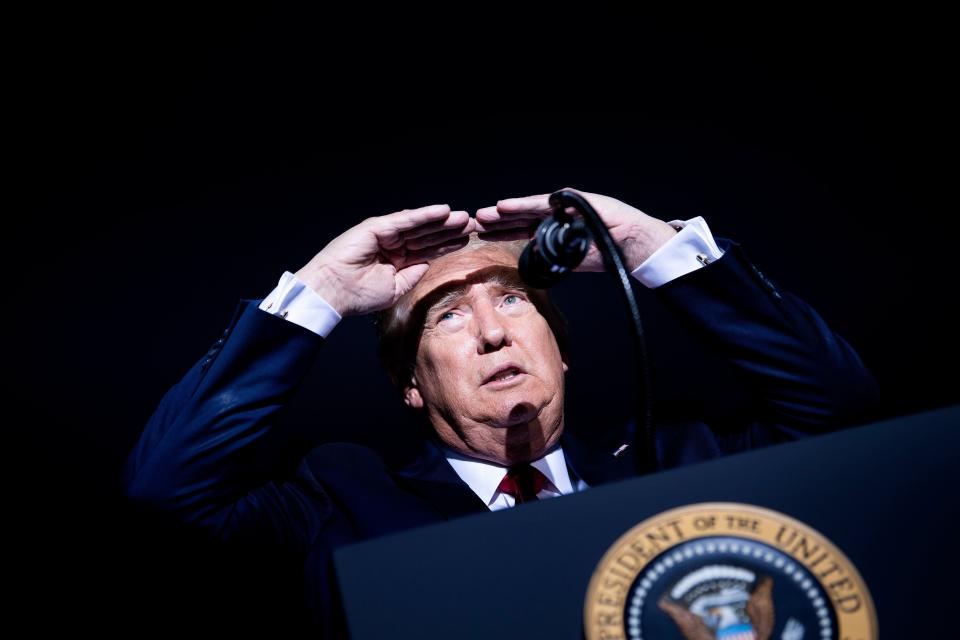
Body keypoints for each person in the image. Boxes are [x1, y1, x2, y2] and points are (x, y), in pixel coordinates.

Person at [121, 188, 880, 636]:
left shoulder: (683, 460)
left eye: (513, 300)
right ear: (409, 385)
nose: (491, 330)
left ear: (560, 349)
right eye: (447, 317)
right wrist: (316, 293)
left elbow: (842, 406)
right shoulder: (336, 502)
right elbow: (163, 494)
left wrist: (649, 246)